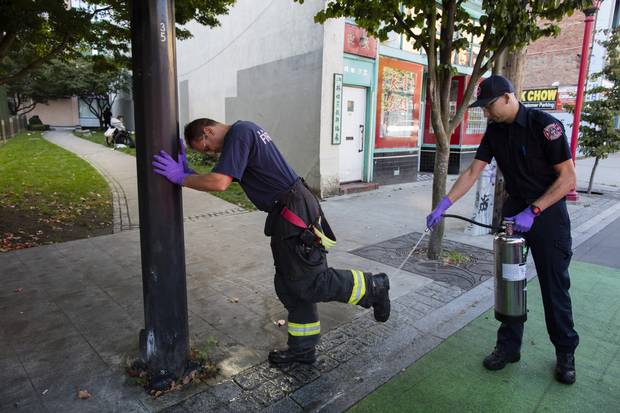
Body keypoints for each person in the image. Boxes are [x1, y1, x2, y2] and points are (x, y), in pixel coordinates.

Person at [152, 118, 391, 366]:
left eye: (207, 148)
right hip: (287, 212)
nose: (212, 153)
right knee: (289, 285)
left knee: (310, 281)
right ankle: (303, 351)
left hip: (293, 211)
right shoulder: (244, 132)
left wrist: (180, 178)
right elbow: (218, 176)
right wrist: (188, 173)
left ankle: (374, 286)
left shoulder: (239, 134)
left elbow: (219, 183)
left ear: (207, 131)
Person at [426, 75, 579, 384]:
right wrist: (445, 203)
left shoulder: (544, 125)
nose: (486, 113)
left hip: (547, 215)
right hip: (515, 211)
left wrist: (534, 210)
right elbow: (472, 171)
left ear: (509, 97)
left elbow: (568, 178)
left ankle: (565, 354)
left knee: (554, 287)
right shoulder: (495, 132)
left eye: (489, 105)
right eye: (483, 108)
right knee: (509, 284)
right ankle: (508, 347)